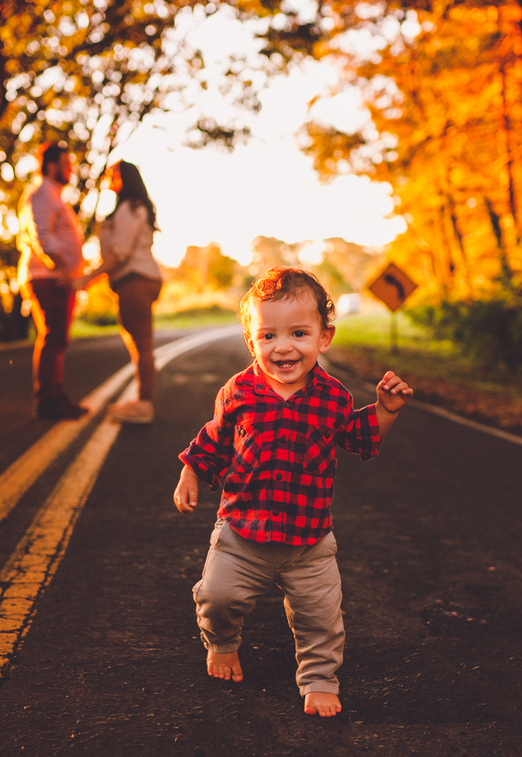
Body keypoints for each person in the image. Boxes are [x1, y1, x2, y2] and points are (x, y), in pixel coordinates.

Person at [173, 266, 414, 718]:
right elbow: (215, 439)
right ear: (252, 342)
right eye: (268, 336)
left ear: (324, 338)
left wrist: (385, 410)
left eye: (299, 333)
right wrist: (190, 472)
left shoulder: (334, 397)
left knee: (322, 618)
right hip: (241, 533)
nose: (282, 347)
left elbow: (360, 436)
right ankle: (222, 643)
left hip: (310, 542)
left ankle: (320, 677)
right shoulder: (238, 392)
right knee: (217, 598)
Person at [80, 161, 164, 424]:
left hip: (135, 280)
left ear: (124, 178)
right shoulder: (132, 207)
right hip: (134, 280)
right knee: (139, 346)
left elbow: (119, 253)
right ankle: (141, 401)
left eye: (113, 174)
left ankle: (144, 404)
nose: (108, 178)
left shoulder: (129, 208)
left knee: (142, 346)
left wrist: (87, 278)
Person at [18, 141, 87, 420]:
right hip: (46, 278)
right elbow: (40, 235)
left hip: (57, 279)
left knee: (57, 338)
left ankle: (56, 395)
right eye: (66, 163)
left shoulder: (54, 195)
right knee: (52, 337)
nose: (71, 168)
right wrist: (59, 268)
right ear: (50, 166)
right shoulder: (42, 193)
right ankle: (47, 399)